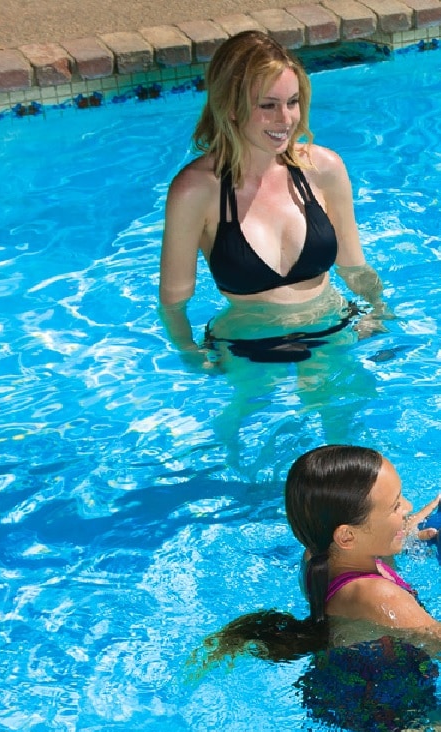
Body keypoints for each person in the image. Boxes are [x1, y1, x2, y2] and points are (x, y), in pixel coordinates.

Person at [158, 31, 390, 463]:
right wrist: (190, 354)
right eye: (268, 105)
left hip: (331, 327)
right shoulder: (196, 190)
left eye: (293, 102)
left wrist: (379, 310)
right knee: (251, 459)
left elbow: (354, 266)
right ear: (231, 106)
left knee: (350, 452)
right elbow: (174, 301)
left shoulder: (323, 168)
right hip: (248, 345)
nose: (285, 119)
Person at [198, 445, 441, 732]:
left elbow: (371, 538)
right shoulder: (380, 597)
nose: (408, 507)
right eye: (395, 505)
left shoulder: (318, 555)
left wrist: (409, 530)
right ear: (346, 536)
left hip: (347, 682)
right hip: (392, 715)